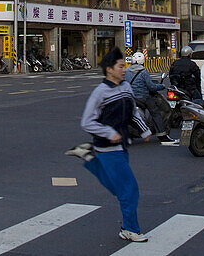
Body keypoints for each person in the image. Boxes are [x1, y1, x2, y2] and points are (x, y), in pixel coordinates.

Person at [64, 47, 152, 243]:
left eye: (124, 66)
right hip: (107, 146)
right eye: (120, 66)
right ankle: (130, 229)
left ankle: (89, 158)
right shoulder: (100, 93)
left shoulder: (126, 87)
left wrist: (144, 130)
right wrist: (108, 133)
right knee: (129, 189)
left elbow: (133, 113)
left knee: (119, 188)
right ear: (109, 69)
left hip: (122, 145)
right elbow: (87, 121)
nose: (124, 69)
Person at [125, 52, 177, 144]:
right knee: (155, 113)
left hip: (130, 98)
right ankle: (162, 135)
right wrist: (161, 86)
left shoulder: (127, 70)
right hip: (143, 98)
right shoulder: (143, 72)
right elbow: (151, 87)